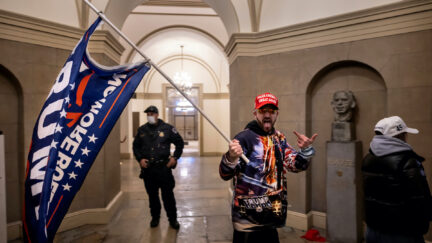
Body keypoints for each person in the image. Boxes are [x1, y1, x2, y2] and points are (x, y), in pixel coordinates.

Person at [219, 93, 318, 243]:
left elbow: (296, 165)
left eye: (271, 111)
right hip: (248, 218)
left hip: (272, 214)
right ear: (255, 113)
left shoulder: (279, 138)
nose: (267, 115)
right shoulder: (244, 138)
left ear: (277, 114)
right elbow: (224, 174)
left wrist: (305, 151)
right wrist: (231, 157)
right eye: (263, 111)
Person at [362, 116, 432, 243]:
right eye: (404, 133)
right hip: (402, 233)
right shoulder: (408, 162)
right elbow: (419, 200)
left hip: (372, 230)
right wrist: (422, 228)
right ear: (400, 136)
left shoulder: (367, 158)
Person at [133, 105, 184, 229]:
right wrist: (140, 159)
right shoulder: (142, 130)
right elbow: (136, 147)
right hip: (149, 170)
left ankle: (173, 219)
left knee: (168, 196)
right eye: (148, 114)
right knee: (152, 196)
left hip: (163, 168)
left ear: (157, 114)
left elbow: (179, 143)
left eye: (152, 113)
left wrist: (174, 157)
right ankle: (155, 218)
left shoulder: (167, 128)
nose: (150, 116)